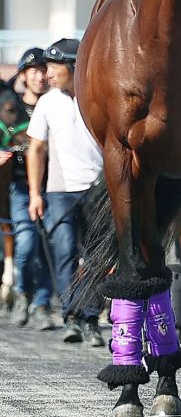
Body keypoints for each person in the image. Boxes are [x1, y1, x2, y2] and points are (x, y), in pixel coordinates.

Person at [27, 38, 105, 346]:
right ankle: (72, 316)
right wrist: (35, 193)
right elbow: (36, 148)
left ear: (74, 66)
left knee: (96, 257)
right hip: (59, 192)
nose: (47, 73)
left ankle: (91, 318)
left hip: (98, 190)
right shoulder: (48, 102)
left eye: (54, 66)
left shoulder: (96, 96)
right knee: (64, 254)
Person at [8, 48, 54, 330]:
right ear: (23, 75)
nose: (41, 76)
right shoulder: (9, 107)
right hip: (20, 188)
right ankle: (23, 293)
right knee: (25, 244)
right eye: (34, 70)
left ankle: (42, 303)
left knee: (49, 247)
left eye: (43, 69)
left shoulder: (57, 104)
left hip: (52, 187)